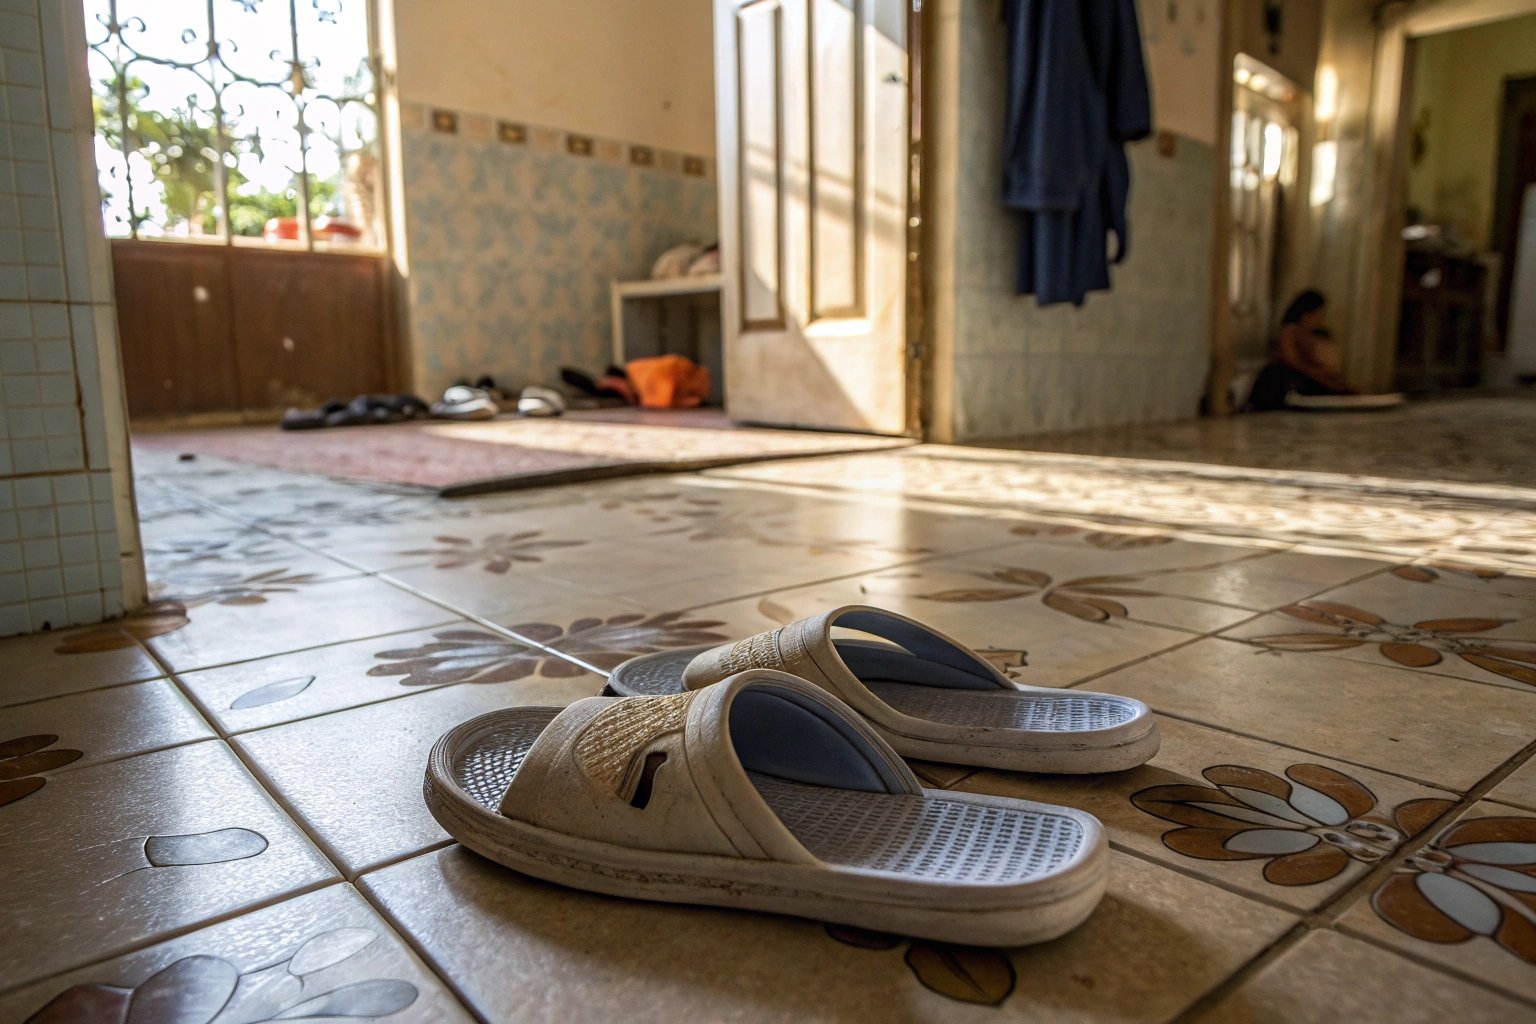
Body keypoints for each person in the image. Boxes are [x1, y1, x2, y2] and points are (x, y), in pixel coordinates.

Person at [1246, 290, 1357, 411]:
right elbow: (1292, 362)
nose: (1319, 319)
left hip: (1307, 375)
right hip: (1290, 378)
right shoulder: (1290, 332)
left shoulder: (1316, 335)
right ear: (1306, 314)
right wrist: (1318, 375)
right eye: (1318, 314)